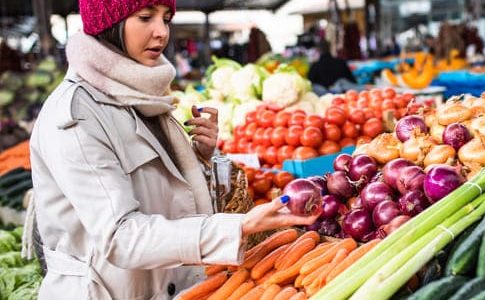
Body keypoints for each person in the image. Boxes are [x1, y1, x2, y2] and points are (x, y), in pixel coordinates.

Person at [29, 1, 318, 299]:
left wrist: (200, 160)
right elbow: (119, 237)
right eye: (145, 17)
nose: (161, 32)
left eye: (165, 19)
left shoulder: (138, 94)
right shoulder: (78, 114)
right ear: (108, 24)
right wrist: (238, 227)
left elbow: (159, 195)